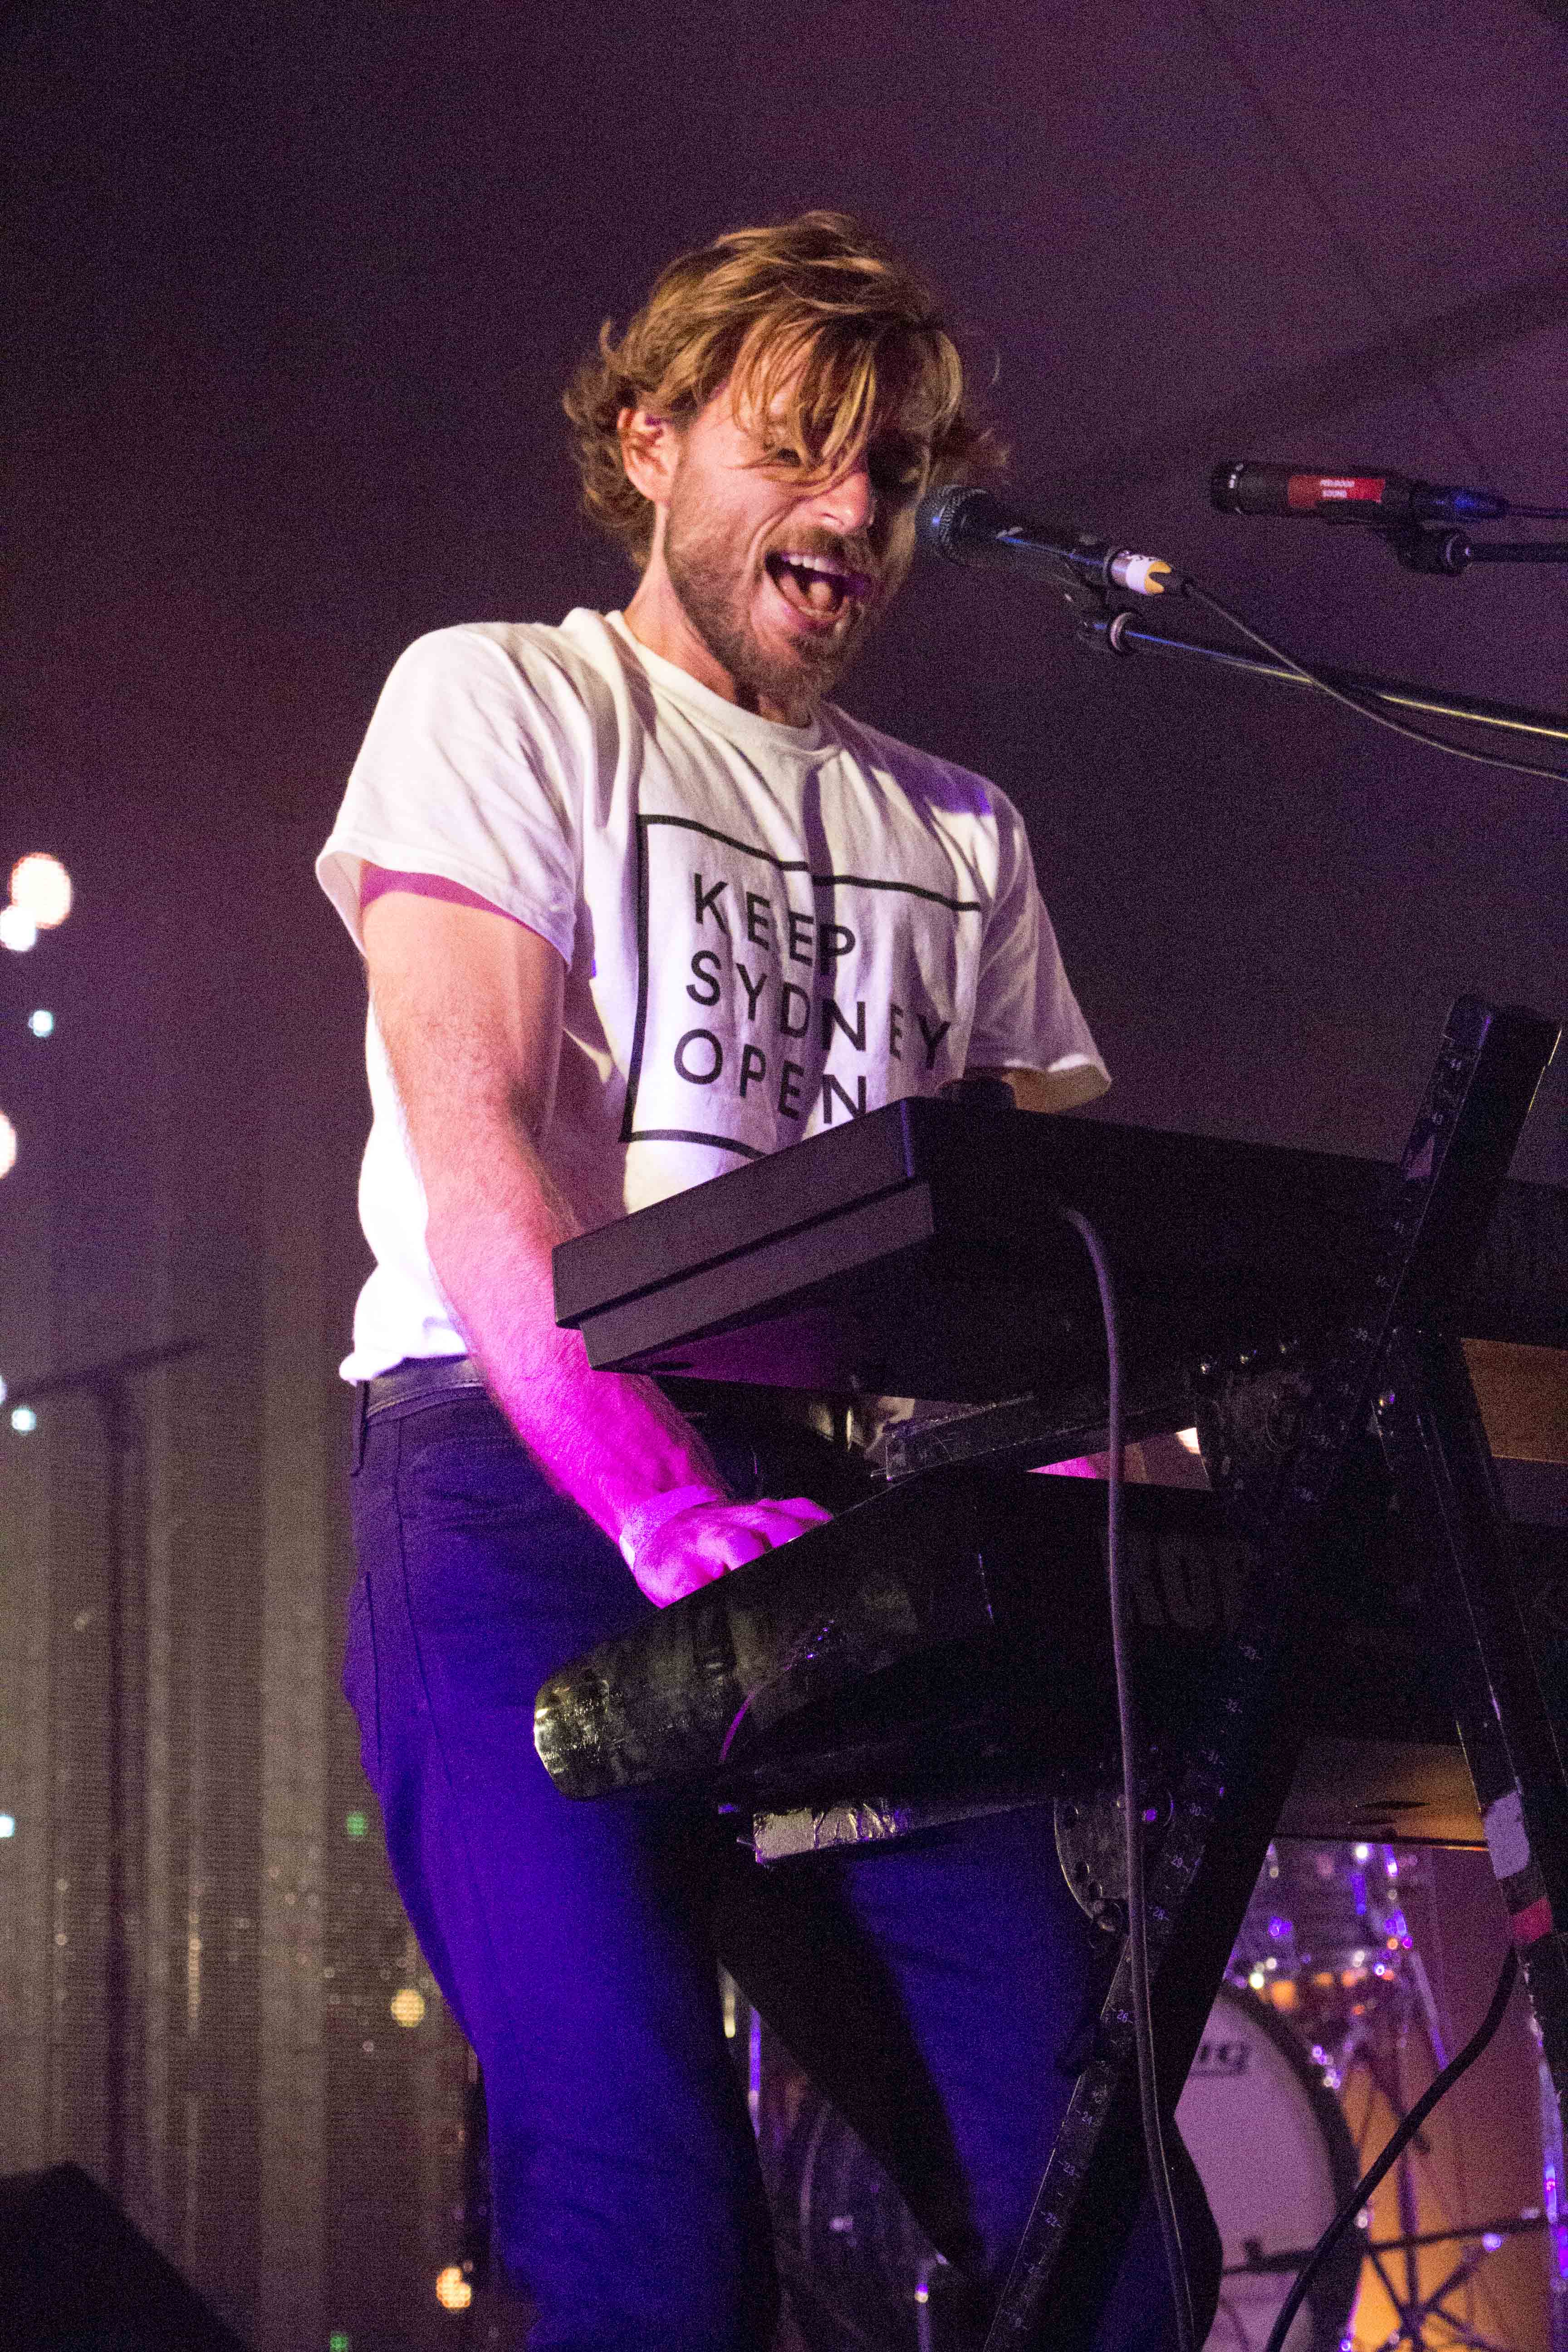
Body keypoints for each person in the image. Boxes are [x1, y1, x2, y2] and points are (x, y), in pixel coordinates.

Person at [317, 211, 1219, 2351]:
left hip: (841, 1511)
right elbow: (480, 1144)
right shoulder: (505, 696)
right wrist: (649, 1496)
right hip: (522, 1481)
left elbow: (1026, 1265)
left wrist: (1114, 1516)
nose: (856, 511)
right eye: (798, 447)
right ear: (648, 442)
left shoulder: (963, 833)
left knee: (1102, 2206)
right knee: (645, 2202)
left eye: (894, 472)